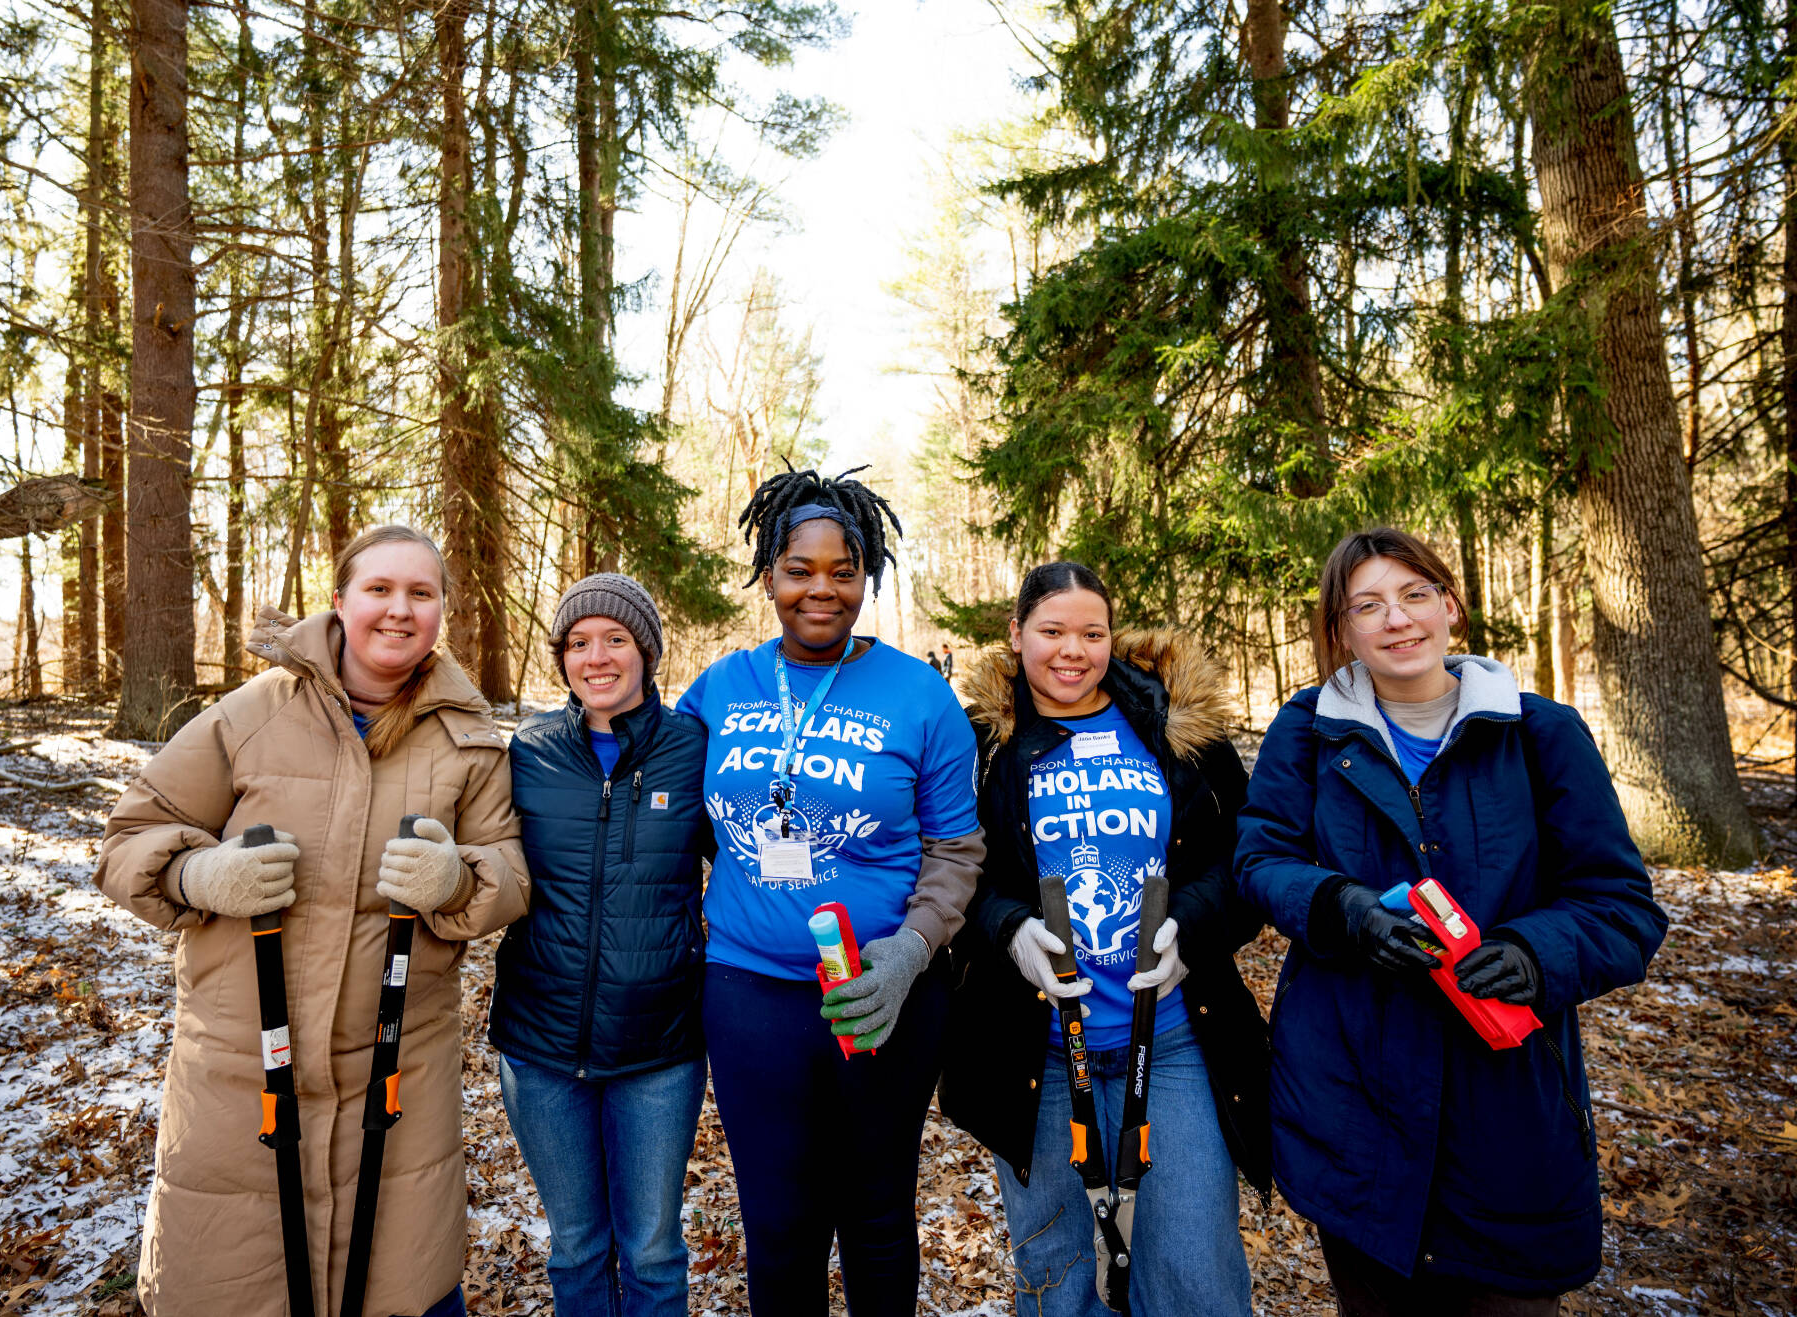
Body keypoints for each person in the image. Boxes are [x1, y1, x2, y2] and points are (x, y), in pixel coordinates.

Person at [95, 524, 529, 1317]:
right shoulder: (250, 715)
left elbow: (510, 873)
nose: (399, 610)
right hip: (241, 1078)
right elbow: (128, 838)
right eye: (379, 589)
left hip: (396, 1083)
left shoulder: (471, 742)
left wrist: (457, 878)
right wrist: (199, 873)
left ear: (443, 611)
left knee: (400, 1288)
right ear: (338, 602)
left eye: (421, 593)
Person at [1235, 527, 1668, 1316]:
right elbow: (1260, 862)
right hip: (1351, 1094)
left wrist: (1535, 952)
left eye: (1413, 595)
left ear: (1450, 606)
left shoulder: (1540, 733)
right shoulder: (1306, 733)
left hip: (1505, 1105)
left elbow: (1621, 905)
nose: (1395, 620)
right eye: (1367, 605)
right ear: (1342, 631)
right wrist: (1343, 906)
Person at [674, 465, 986, 1314]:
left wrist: (910, 953)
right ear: (768, 574)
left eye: (843, 571)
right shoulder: (720, 689)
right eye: (800, 569)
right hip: (749, 997)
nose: (822, 588)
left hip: (882, 996)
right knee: (778, 1224)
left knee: (877, 1217)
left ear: (867, 576)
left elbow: (957, 847)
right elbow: (663, 804)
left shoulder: (921, 695)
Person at [940, 561, 1270, 1317]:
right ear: (1017, 634)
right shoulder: (982, 745)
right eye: (1052, 631)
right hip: (1039, 1053)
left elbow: (1244, 861)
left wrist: (1193, 924)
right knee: (1053, 1276)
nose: (1072, 650)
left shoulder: (1180, 730)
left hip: (1177, 1040)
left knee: (1196, 1277)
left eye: (1092, 632)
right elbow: (951, 867)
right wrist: (1009, 928)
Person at [487, 573, 712, 1317]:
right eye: (578, 642)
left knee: (651, 1248)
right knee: (577, 1245)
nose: (597, 657)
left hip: (658, 1045)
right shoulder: (529, 751)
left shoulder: (692, 749)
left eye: (616, 638)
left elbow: (748, 862)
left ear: (646, 651)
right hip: (542, 1045)